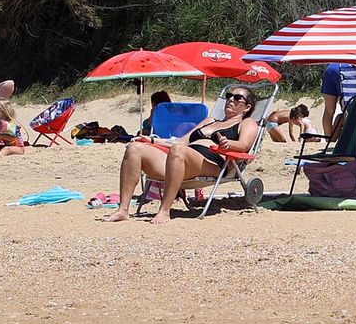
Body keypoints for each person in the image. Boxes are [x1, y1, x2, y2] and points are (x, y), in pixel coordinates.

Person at [101, 87, 260, 224]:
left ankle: (164, 210)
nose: (231, 99)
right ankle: (122, 210)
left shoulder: (247, 123)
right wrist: (150, 140)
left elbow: (244, 145)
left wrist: (229, 144)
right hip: (182, 159)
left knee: (178, 151)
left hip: (212, 163)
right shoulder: (210, 120)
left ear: (246, 107)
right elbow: (180, 141)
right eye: (229, 96)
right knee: (134, 148)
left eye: (237, 98)